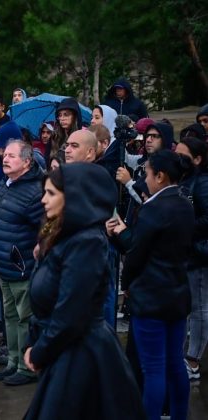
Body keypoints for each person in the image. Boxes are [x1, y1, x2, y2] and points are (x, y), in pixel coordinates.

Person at [23, 164, 145, 420]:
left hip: (81, 358)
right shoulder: (65, 236)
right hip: (63, 351)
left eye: (51, 193)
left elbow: (71, 312)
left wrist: (39, 351)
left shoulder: (86, 241)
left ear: (74, 197)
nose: (43, 200)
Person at [108, 150, 194, 420]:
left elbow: (136, 254)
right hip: (177, 294)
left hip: (152, 296)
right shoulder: (183, 203)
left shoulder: (155, 208)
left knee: (154, 369)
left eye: (147, 174)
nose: (144, 179)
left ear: (161, 176)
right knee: (174, 365)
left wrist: (120, 234)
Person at [0, 140, 44, 386]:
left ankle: (25, 368)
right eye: (4, 155)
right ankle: (12, 361)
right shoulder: (7, 184)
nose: (4, 159)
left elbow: (43, 229)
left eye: (11, 156)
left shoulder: (34, 192)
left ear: (27, 162)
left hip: (22, 268)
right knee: (9, 317)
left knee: (23, 318)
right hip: (2, 266)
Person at [177, 137, 208, 381]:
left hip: (198, 254)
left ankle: (193, 359)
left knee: (199, 308)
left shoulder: (203, 183)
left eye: (183, 155)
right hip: (185, 253)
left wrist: (184, 227)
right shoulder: (184, 179)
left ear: (197, 159)